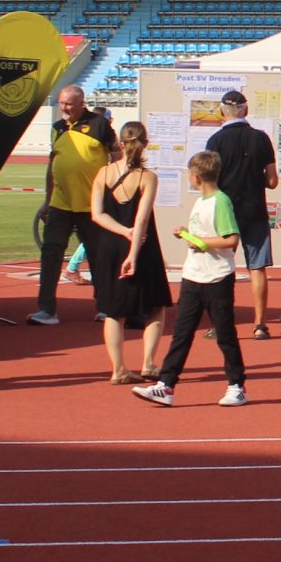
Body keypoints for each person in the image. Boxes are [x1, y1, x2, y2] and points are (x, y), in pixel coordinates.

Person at [132, 148, 248, 408]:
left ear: (196, 176)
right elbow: (202, 233)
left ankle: (237, 386)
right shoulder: (200, 202)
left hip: (217, 277)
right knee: (181, 334)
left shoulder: (221, 201)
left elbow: (231, 239)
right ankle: (166, 385)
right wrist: (187, 234)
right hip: (193, 275)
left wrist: (201, 243)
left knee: (225, 335)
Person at [92, 119, 171, 383]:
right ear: (145, 144)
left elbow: (97, 214)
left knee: (114, 311)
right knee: (156, 305)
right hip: (142, 245)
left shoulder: (103, 173)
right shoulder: (147, 177)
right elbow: (141, 219)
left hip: (109, 245)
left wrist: (120, 231)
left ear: (120, 143)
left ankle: (118, 368)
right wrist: (133, 252)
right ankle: (148, 362)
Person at [203, 91, 281, 337]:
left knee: (220, 268)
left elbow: (209, 181)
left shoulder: (215, 140)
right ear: (246, 111)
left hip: (225, 210)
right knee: (257, 267)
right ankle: (260, 324)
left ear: (222, 112)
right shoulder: (261, 138)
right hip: (254, 209)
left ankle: (220, 324)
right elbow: (272, 181)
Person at [35, 86, 109, 327]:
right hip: (60, 204)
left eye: (69, 104)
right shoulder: (57, 129)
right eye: (61, 103)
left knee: (99, 256)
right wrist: (47, 199)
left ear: (81, 103)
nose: (64, 108)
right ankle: (46, 310)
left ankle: (105, 307)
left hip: (92, 206)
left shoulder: (99, 125)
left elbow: (117, 159)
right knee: (50, 253)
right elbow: (52, 163)